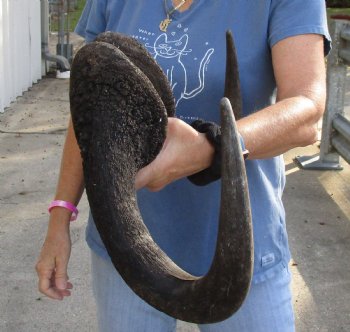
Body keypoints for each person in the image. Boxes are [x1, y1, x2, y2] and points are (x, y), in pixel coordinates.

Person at [36, 1, 331, 331]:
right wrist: (59, 218)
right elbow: (89, 108)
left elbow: (306, 112)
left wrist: (212, 147)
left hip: (243, 255)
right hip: (124, 245)